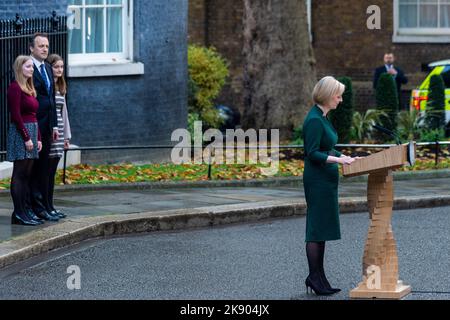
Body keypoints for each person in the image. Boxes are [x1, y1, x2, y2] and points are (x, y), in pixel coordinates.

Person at [302, 76, 358, 295]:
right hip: (317, 181)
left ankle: (320, 277)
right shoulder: (315, 120)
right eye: (338, 95)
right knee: (316, 229)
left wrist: (345, 156)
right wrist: (339, 160)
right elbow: (312, 152)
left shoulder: (323, 117)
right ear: (327, 96)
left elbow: (328, 147)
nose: (341, 100)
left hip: (326, 181)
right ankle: (314, 277)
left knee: (322, 229)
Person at [6, 56, 44, 226]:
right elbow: (16, 115)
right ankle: (19, 213)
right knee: (19, 174)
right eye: (28, 66)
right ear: (20, 68)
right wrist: (27, 137)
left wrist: (38, 138)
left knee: (27, 175)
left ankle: (25, 212)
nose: (32, 69)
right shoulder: (14, 88)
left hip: (32, 132)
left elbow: (34, 116)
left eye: (32, 67)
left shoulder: (29, 88)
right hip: (21, 134)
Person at [29, 33, 60, 221]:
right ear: (32, 48)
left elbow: (52, 98)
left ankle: (43, 207)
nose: (45, 49)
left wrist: (55, 126)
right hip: (34, 125)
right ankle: (35, 207)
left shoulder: (48, 68)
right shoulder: (28, 68)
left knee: (43, 168)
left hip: (48, 126)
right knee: (32, 169)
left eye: (46, 46)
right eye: (40, 46)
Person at [46, 54, 71, 218]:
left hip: (60, 132)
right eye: (56, 67)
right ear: (50, 67)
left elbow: (65, 113)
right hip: (50, 132)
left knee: (52, 172)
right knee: (46, 172)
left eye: (61, 67)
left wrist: (67, 137)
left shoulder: (61, 87)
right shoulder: (47, 87)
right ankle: (45, 206)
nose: (59, 70)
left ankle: (51, 205)